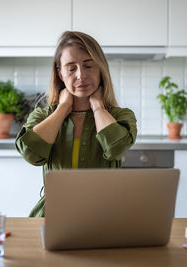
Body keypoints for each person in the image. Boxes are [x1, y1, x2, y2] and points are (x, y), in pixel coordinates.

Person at [15, 31, 137, 217]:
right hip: (54, 213)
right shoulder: (43, 115)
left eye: (89, 66)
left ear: (101, 69)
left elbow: (116, 148)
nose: (81, 75)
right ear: (60, 74)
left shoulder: (121, 116)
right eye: (71, 68)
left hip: (103, 215)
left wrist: (97, 106)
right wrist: (63, 108)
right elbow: (31, 153)